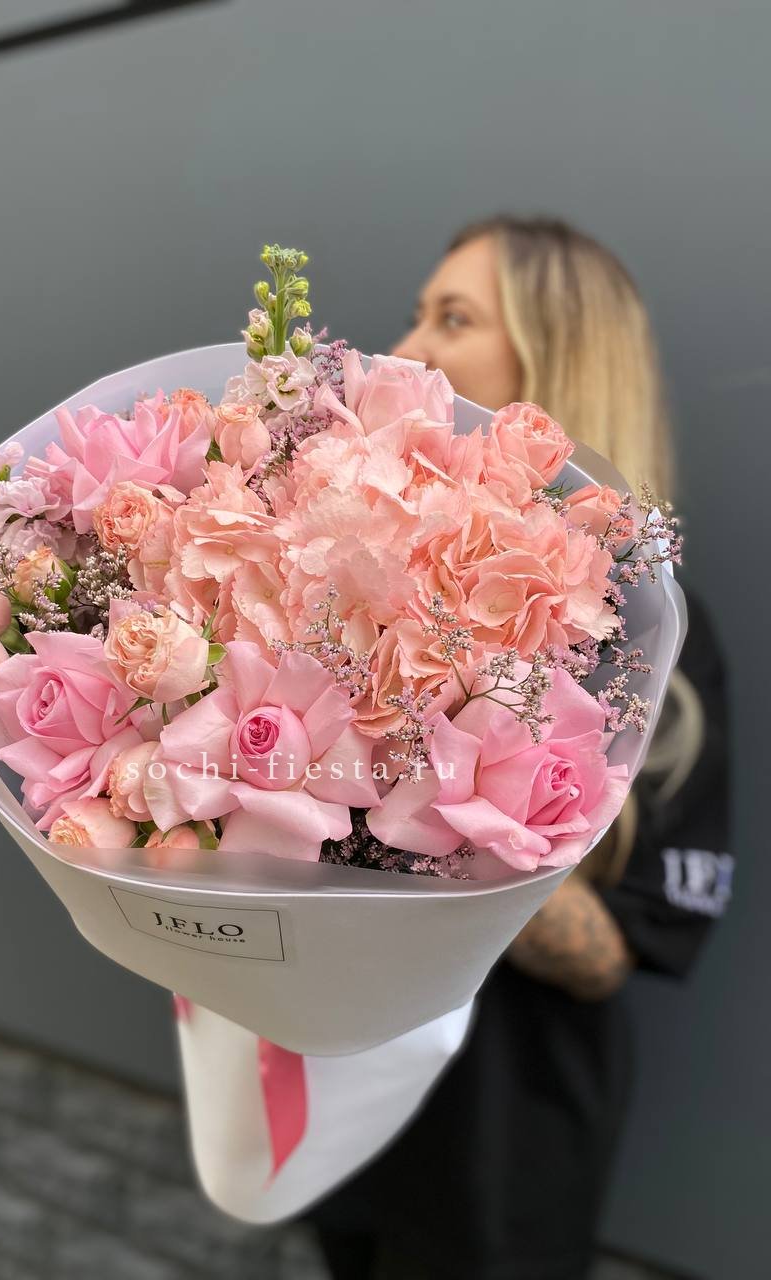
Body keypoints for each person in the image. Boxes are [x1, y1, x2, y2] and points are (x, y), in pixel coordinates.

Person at [306, 216, 732, 1280]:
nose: (410, 349)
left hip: (506, 1134)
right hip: (344, 1099)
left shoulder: (653, 638)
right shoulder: (347, 577)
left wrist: (421, 792)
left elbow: (612, 952)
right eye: (416, 313)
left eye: (454, 318)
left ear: (557, 360)